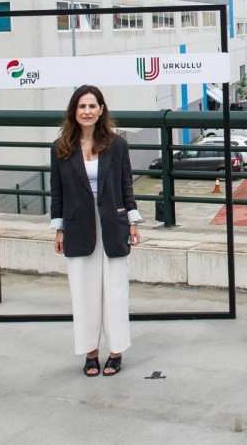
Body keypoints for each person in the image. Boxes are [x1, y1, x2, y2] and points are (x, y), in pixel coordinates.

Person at [49, 85, 142, 377]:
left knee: (115, 292)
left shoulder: (117, 145)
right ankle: (90, 353)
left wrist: (133, 221)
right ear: (73, 112)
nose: (87, 111)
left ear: (101, 110)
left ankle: (116, 351)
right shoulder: (61, 147)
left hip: (112, 226)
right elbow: (57, 191)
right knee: (84, 293)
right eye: (81, 106)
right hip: (79, 228)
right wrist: (59, 228)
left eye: (92, 106)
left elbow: (126, 185)